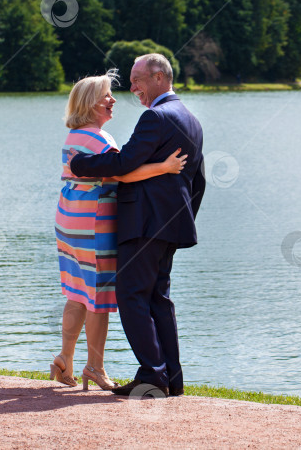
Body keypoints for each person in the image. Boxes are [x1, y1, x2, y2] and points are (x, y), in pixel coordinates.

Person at [68, 54, 205, 397]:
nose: (132, 88)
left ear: (159, 78)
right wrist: (181, 219)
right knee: (159, 299)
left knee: (132, 297)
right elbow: (199, 180)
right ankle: (171, 378)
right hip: (170, 227)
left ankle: (152, 374)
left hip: (142, 224)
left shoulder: (155, 117)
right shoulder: (191, 119)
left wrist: (82, 164)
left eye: (137, 80)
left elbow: (126, 161)